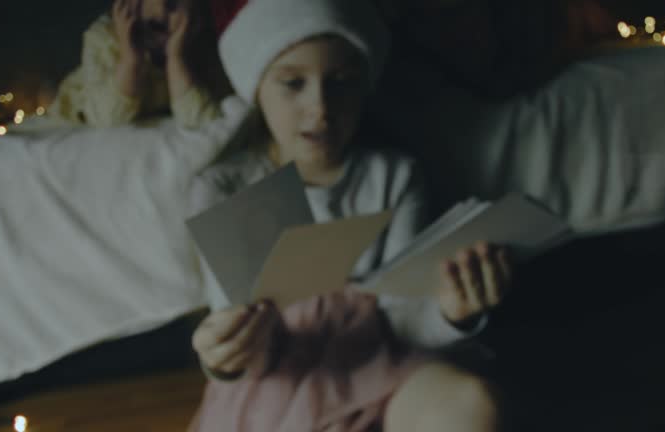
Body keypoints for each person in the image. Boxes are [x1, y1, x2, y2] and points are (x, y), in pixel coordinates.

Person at [187, 0, 512, 430]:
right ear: (256, 88)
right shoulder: (222, 188)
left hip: (380, 363)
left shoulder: (394, 176)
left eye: (341, 82)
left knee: (474, 404)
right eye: (292, 83)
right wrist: (225, 352)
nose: (320, 108)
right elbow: (236, 333)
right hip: (278, 376)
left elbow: (404, 319)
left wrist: (453, 312)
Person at [46, 0, 230, 128]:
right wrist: (130, 59)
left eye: (173, 2)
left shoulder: (198, 46)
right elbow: (108, 119)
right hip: (83, 107)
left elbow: (202, 119)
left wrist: (176, 59)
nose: (161, 8)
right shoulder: (103, 39)